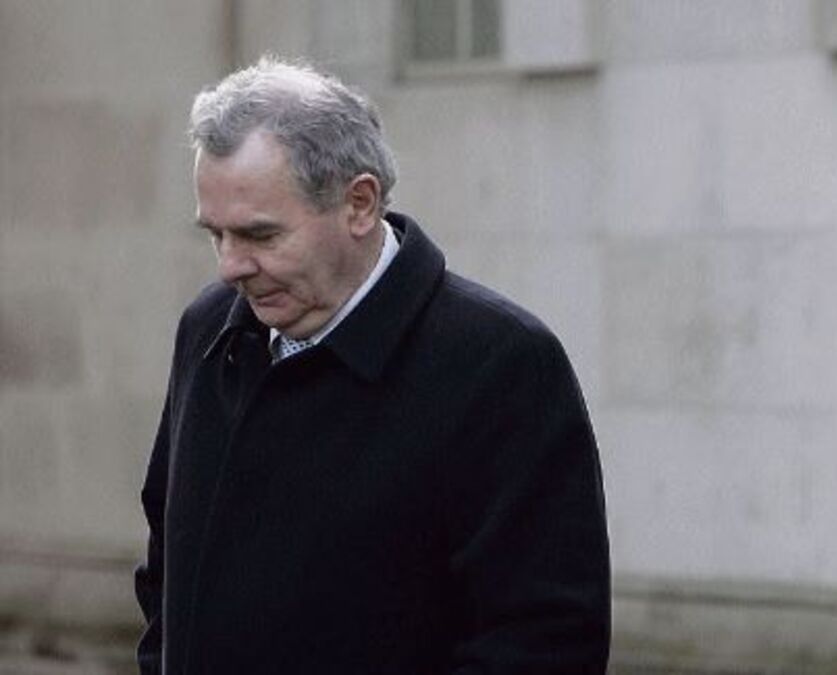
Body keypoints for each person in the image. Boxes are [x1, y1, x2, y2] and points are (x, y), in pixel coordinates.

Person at [134, 57, 610, 674]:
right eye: (216, 234)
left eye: (260, 236)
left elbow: (543, 642)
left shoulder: (501, 365)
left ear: (359, 204)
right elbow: (165, 569)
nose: (231, 266)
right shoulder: (208, 328)